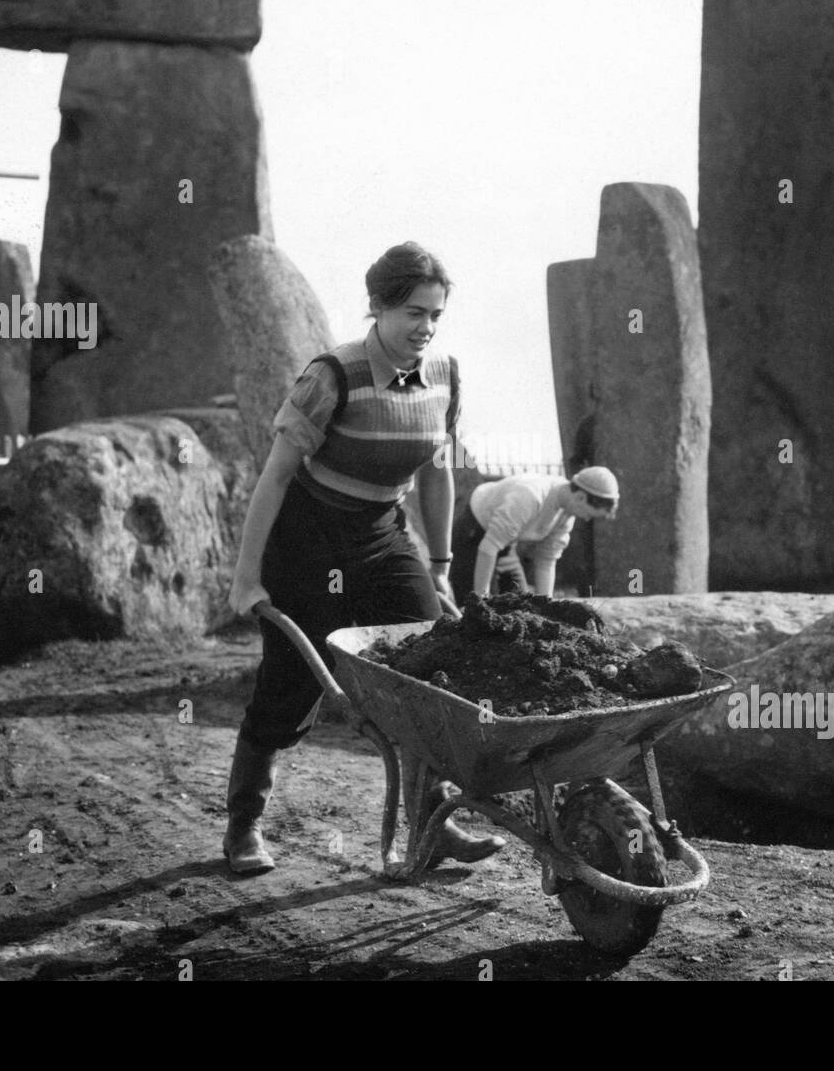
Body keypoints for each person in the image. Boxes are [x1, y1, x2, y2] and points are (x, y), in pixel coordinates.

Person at [223, 241, 505, 875]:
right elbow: (273, 480)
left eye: (435, 314)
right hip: (308, 539)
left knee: (430, 669)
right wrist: (247, 578)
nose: (425, 328)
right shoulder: (331, 377)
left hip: (383, 537)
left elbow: (437, 470)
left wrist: (439, 564)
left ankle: (434, 822)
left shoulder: (445, 377)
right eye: (412, 313)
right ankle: (243, 826)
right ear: (376, 307)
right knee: (292, 687)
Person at [448, 466, 619, 604]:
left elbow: (546, 561)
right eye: (589, 514)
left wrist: (546, 608)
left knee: (523, 606)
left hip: (506, 544)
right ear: (580, 497)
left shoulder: (567, 514)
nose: (586, 518)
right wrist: (480, 600)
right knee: (476, 609)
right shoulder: (530, 496)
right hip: (474, 534)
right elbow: (488, 548)